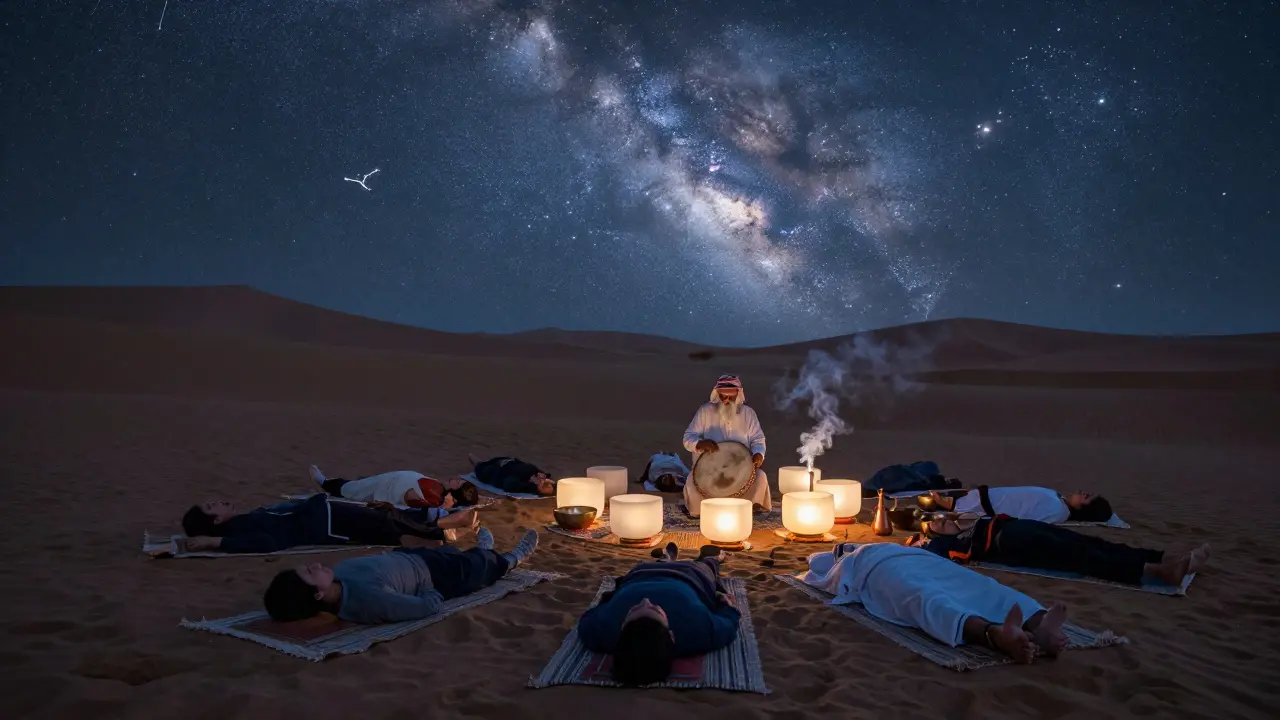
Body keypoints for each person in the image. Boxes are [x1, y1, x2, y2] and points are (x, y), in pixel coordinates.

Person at [802, 542, 1069, 664]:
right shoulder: (856, 553)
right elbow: (818, 565)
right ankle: (1016, 628)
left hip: (898, 564)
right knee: (959, 592)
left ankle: (1020, 628)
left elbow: (817, 567)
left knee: (954, 592)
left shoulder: (850, 556)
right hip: (892, 564)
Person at [262, 527, 539, 623]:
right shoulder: (367, 601)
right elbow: (426, 607)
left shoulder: (336, 575)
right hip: (436, 576)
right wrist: (432, 587)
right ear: (318, 594)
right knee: (485, 569)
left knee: (462, 555)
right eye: (310, 573)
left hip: (415, 558)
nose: (314, 565)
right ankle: (514, 558)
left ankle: (483, 550)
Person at [576, 542, 742, 685]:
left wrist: (609, 600)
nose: (646, 600)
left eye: (633, 609)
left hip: (641, 573)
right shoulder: (697, 629)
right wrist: (722, 601)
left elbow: (586, 619)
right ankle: (710, 559)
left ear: (621, 630)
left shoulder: (603, 630)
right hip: (689, 574)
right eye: (655, 609)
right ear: (672, 636)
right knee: (707, 567)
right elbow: (731, 619)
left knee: (652, 567)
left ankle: (666, 559)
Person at [913, 512, 1209, 586]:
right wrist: (922, 544)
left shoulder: (966, 519)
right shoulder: (949, 544)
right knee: (1082, 557)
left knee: (1094, 543)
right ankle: (1156, 572)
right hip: (1014, 542)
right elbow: (936, 556)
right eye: (936, 524)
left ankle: (1167, 559)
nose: (942, 520)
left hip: (1023, 527)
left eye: (938, 517)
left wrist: (953, 515)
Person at [179, 492, 479, 553]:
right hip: (327, 524)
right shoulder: (237, 529)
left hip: (323, 514)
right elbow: (266, 543)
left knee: (384, 511)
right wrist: (213, 542)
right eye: (211, 506)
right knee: (384, 520)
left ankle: (438, 524)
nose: (217, 500)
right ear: (216, 519)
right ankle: (440, 528)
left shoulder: (245, 518)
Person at [681, 374, 769, 517]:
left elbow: (758, 439)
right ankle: (702, 513)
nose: (726, 400)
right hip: (710, 470)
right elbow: (688, 438)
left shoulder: (748, 414)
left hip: (740, 469)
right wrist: (700, 444)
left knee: (760, 477)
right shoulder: (705, 411)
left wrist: (758, 453)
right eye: (723, 396)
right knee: (691, 482)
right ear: (717, 394)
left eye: (730, 397)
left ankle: (749, 509)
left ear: (738, 395)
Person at [309, 465, 479, 511]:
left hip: (386, 488)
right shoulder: (438, 488)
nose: (456, 479)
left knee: (354, 489)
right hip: (390, 480)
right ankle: (330, 484)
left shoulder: (435, 498)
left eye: (459, 483)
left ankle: (325, 483)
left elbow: (411, 499)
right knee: (359, 485)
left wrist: (442, 505)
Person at [927, 485, 1114, 524]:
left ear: (1084, 508)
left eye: (1086, 497)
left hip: (979, 506)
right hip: (980, 496)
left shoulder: (1056, 511)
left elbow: (1022, 520)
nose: (1083, 491)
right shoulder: (1059, 501)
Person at [468, 454, 555, 495]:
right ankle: (482, 462)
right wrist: (541, 474)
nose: (541, 480)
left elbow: (509, 485)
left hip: (494, 471)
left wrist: (534, 487)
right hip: (507, 461)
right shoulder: (533, 471)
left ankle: (478, 463)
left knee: (480, 465)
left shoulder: (522, 483)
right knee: (488, 462)